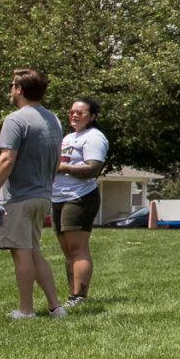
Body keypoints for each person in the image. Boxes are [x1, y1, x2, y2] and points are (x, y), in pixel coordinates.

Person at [0, 69, 66, 319]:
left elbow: (6, 158)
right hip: (42, 195)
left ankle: (26, 311)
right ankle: (55, 307)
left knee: (20, 253)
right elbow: (57, 159)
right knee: (32, 250)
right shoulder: (53, 120)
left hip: (18, 197)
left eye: (12, 84)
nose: (10, 89)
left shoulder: (16, 120)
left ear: (19, 89)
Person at [53, 96, 108, 305]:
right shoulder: (68, 138)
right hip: (58, 196)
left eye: (80, 112)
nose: (74, 116)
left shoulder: (94, 137)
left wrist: (62, 168)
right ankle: (72, 295)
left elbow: (93, 169)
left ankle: (79, 296)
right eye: (71, 112)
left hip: (80, 197)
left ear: (92, 116)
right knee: (67, 250)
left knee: (77, 247)